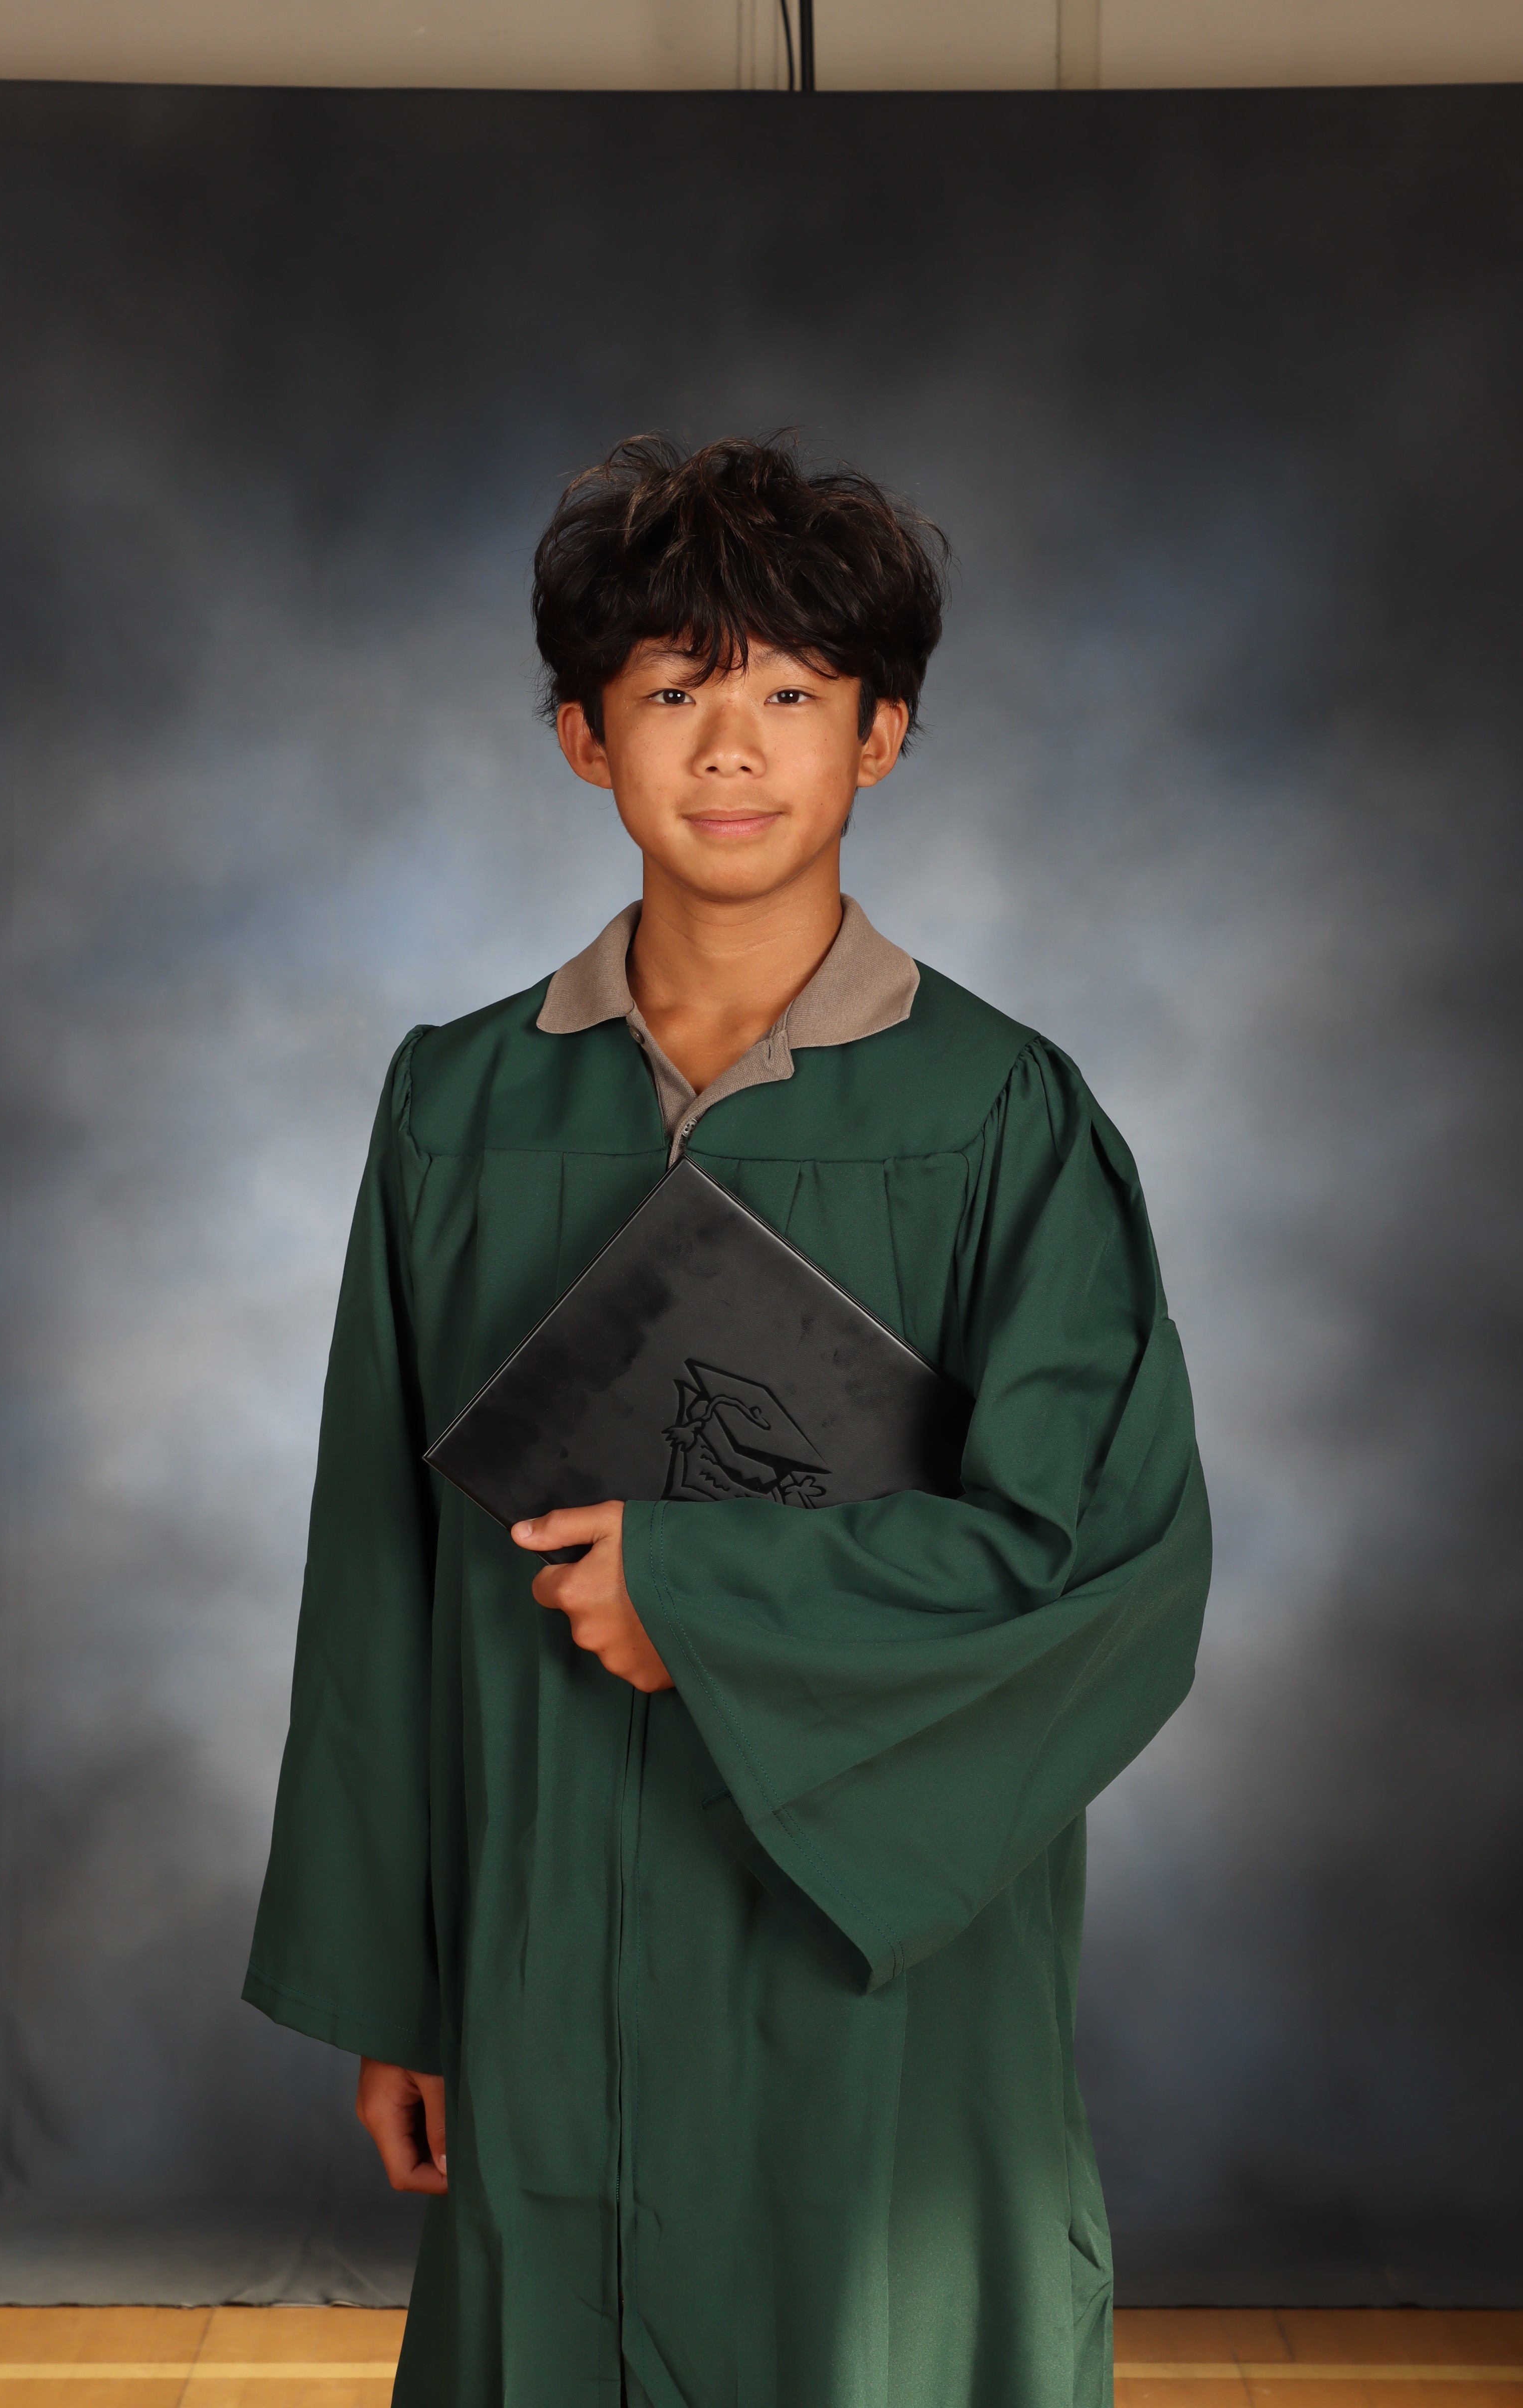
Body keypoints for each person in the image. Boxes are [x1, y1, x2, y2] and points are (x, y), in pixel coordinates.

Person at [244, 434, 1211, 2408]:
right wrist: (392, 1986)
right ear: (584, 739)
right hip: (539, 1924)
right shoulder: (458, 1108)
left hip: (869, 1946)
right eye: (676, 691)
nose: (733, 748)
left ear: (882, 737)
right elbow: (375, 1570)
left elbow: (1098, 1558)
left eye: (792, 693)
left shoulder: (999, 1116)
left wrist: (701, 1593)